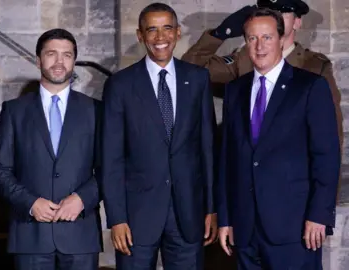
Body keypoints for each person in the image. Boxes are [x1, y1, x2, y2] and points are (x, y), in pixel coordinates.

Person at [217, 8, 340, 269]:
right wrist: (226, 218)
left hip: (294, 229)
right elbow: (228, 159)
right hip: (245, 228)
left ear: (281, 39)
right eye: (252, 38)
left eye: (267, 37)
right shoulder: (235, 91)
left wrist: (319, 215)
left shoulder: (309, 87)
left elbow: (326, 157)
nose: (260, 46)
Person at [101, 3, 216, 269]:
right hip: (136, 217)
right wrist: (116, 218)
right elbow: (111, 157)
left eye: (167, 28)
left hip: (188, 214)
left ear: (178, 33)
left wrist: (211, 208)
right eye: (151, 30)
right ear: (140, 35)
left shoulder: (198, 79)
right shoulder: (120, 85)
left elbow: (207, 149)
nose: (160, 37)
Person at [0, 28, 102, 270]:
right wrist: (30, 202)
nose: (59, 62)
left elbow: (111, 168)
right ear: (38, 60)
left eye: (67, 55)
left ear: (74, 61)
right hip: (30, 237)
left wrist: (83, 199)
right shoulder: (14, 111)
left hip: (80, 236)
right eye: (51, 54)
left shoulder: (96, 111)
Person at [181, 0, 342, 147]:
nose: (275, 16)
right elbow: (189, 71)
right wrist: (220, 34)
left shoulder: (314, 66)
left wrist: (326, 178)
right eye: (270, 11)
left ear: (297, 22)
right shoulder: (243, 60)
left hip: (291, 170)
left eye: (283, 11)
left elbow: (330, 130)